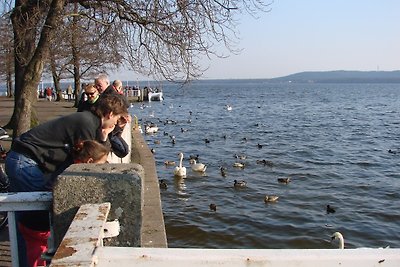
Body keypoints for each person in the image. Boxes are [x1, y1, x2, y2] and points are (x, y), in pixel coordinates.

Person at [5, 93, 129, 267]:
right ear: (109, 114)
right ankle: (30, 261)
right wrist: (106, 135)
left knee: (25, 218)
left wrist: (107, 133)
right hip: (26, 162)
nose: (115, 124)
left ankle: (25, 259)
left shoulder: (88, 121)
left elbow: (96, 152)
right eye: (115, 120)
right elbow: (94, 155)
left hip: (23, 159)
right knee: (33, 222)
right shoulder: (86, 123)